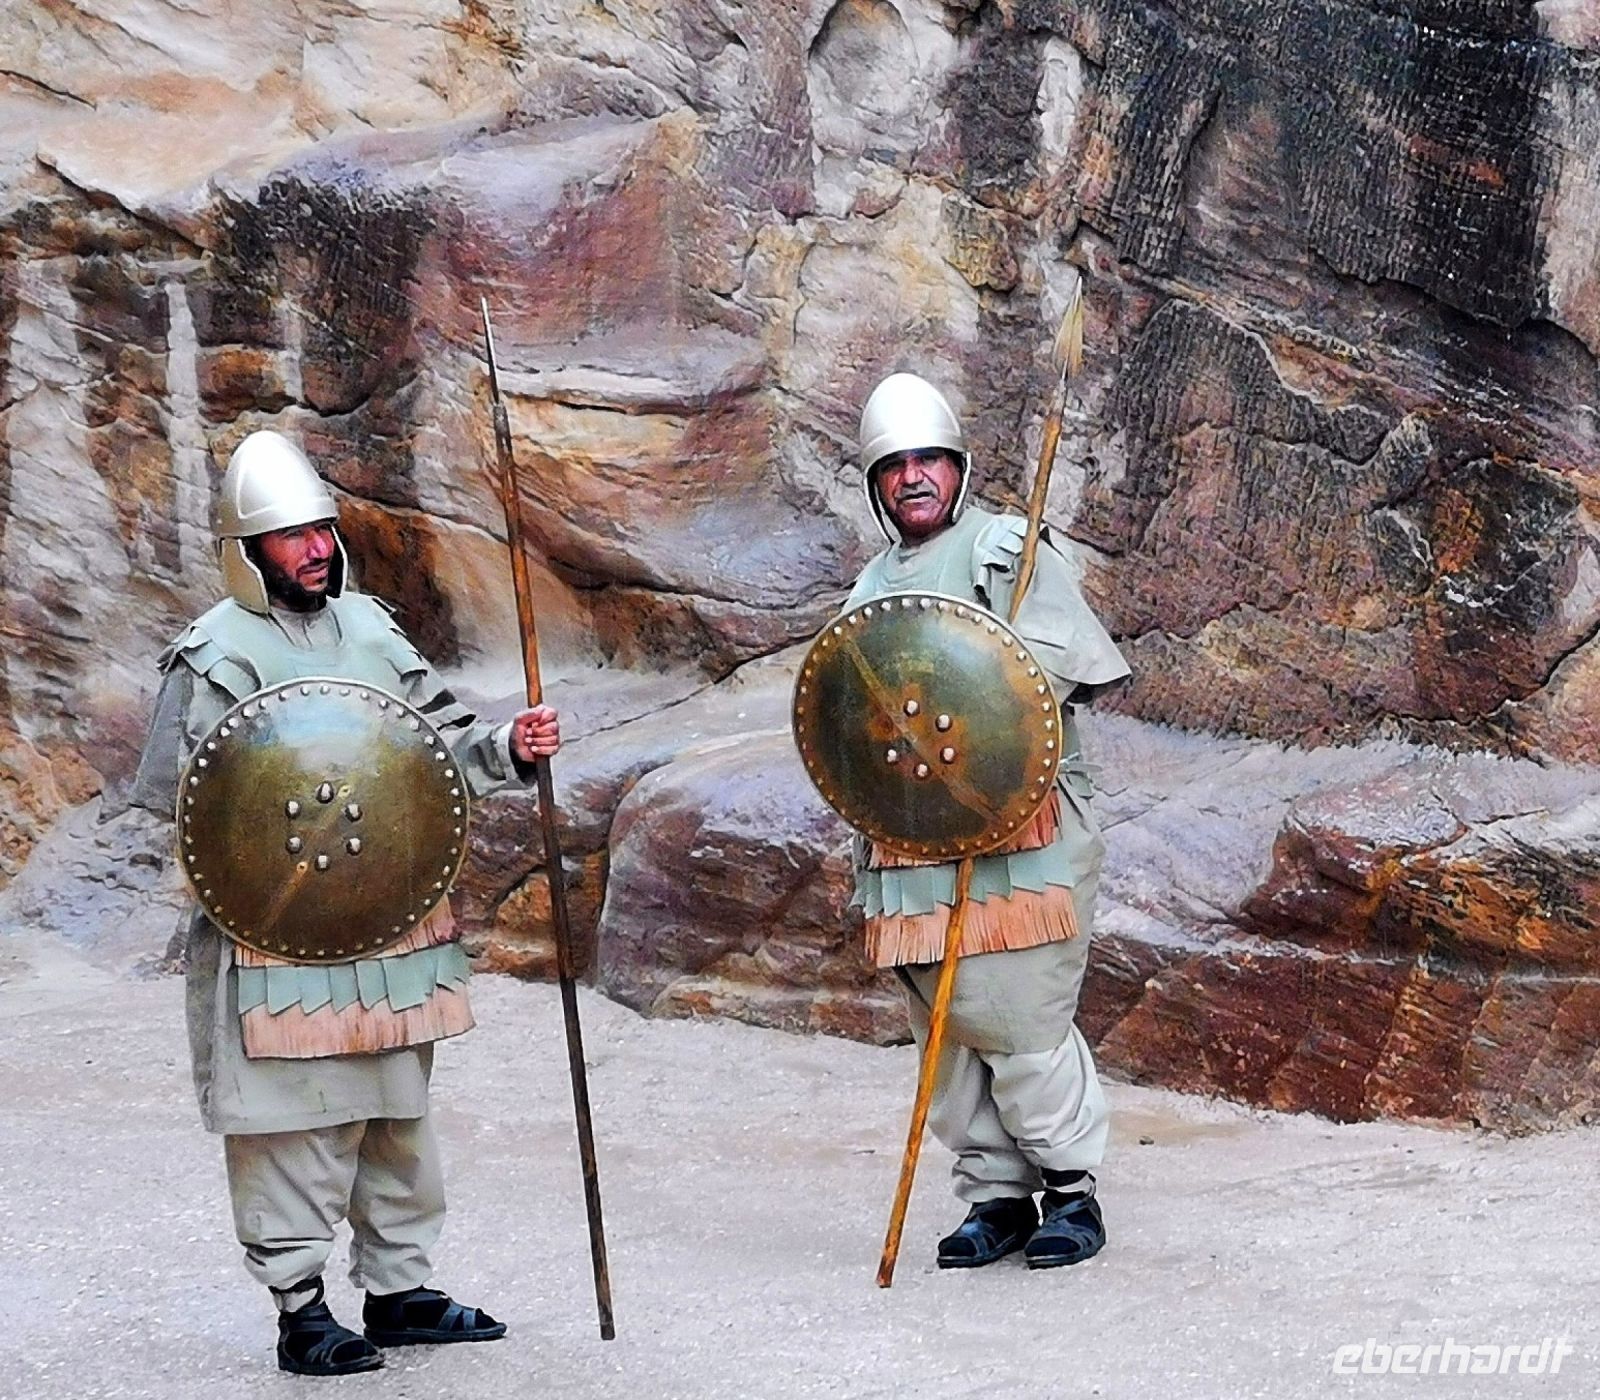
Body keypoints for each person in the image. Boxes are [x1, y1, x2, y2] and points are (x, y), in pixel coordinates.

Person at [131, 429, 561, 1374]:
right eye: (292, 535)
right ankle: (301, 1309)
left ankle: (400, 1291)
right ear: (248, 549)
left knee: (396, 1110)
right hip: (278, 932)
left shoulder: (371, 629)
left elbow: (436, 748)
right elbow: (187, 805)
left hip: (392, 916)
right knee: (291, 1120)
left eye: (322, 529)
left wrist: (508, 750)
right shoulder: (213, 656)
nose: (317, 548)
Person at [844, 372, 1130, 1270]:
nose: (914, 477)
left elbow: (1060, 671)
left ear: (958, 467)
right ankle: (996, 1196)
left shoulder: (1005, 550)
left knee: (1015, 1012)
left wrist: (979, 699)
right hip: (912, 846)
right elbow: (855, 719)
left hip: (1021, 834)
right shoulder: (868, 588)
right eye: (895, 465)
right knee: (948, 1029)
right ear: (876, 483)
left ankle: (1072, 1190)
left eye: (929, 459)